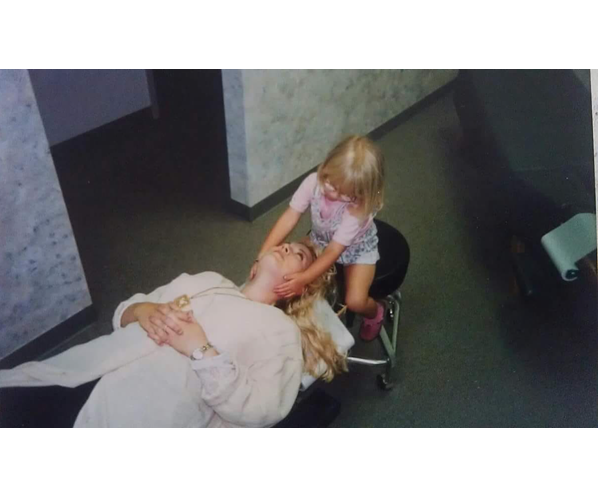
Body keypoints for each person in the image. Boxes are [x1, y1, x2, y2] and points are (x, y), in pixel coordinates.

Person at [0, 241, 346, 428]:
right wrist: (143, 310)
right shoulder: (207, 279)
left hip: (132, 416)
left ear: (299, 287)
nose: (286, 248)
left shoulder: (281, 332)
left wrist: (201, 350)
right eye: (285, 245)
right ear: (255, 266)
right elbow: (125, 312)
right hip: (81, 370)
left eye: (299, 256)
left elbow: (263, 409)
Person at [252, 135, 386, 341]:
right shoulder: (312, 182)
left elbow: (334, 251)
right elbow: (289, 218)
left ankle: (376, 312)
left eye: (344, 193)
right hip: (321, 239)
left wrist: (304, 279)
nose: (333, 193)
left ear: (360, 194)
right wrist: (262, 256)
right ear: (326, 166)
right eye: (330, 183)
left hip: (357, 251)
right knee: (284, 266)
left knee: (355, 301)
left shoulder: (357, 211)